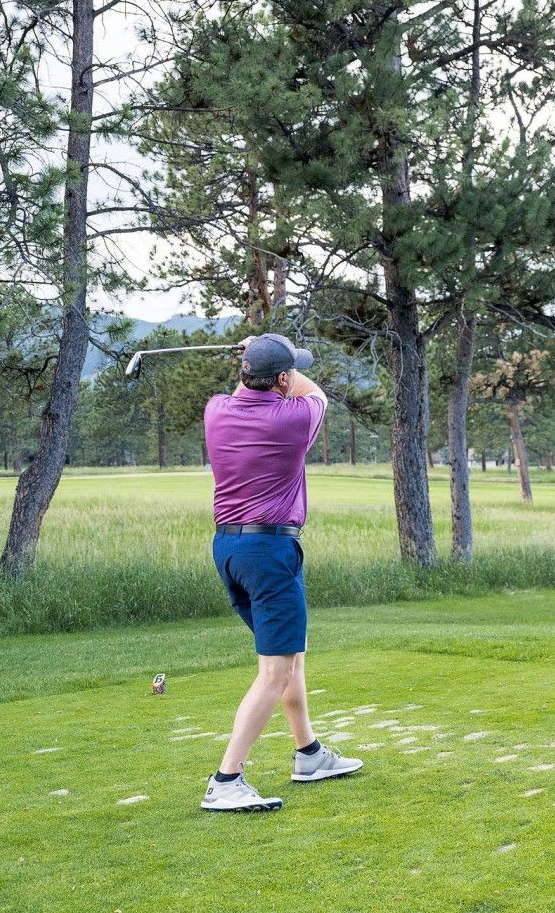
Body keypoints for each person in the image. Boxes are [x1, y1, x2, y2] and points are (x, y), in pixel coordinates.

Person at [199, 333, 363, 813]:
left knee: (291, 655)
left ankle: (309, 754)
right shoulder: (294, 417)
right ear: (285, 379)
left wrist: (252, 356)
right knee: (274, 671)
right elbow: (317, 394)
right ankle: (226, 779)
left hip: (229, 548)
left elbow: (250, 387)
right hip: (270, 551)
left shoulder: (216, 410)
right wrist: (271, 361)